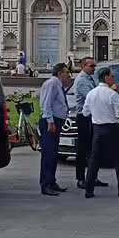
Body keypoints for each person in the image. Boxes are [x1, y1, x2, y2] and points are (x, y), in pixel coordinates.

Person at [83, 67, 119, 199]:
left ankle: (89, 190)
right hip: (111, 128)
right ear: (106, 78)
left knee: (93, 160)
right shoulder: (112, 94)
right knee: (118, 160)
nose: (113, 78)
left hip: (97, 129)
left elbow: (85, 112)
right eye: (112, 76)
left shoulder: (91, 93)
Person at [73, 56, 107, 190]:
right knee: (83, 149)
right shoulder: (82, 81)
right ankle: (81, 178)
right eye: (91, 66)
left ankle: (92, 177)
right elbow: (92, 97)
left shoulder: (89, 79)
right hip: (84, 117)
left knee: (93, 149)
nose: (94, 68)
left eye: (94, 66)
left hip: (91, 117)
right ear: (84, 66)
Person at [38, 62, 71, 196]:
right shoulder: (51, 84)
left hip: (56, 122)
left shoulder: (58, 85)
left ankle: (52, 181)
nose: (68, 75)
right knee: (48, 154)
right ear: (59, 73)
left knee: (54, 153)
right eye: (66, 72)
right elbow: (46, 104)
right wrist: (50, 122)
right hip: (50, 123)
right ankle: (45, 184)